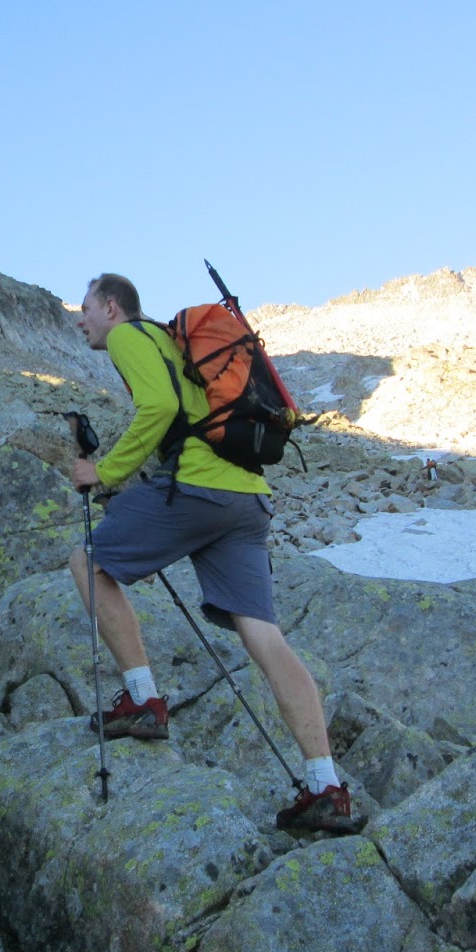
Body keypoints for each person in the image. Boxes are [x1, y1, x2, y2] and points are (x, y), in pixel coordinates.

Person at [68, 273, 358, 834]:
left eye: (85, 309)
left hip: (199, 488)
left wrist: (102, 471)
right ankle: (326, 786)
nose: (80, 321)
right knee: (264, 635)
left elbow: (156, 409)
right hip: (246, 499)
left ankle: (144, 701)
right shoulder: (166, 341)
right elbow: (179, 410)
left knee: (88, 563)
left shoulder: (130, 336)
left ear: (110, 306)